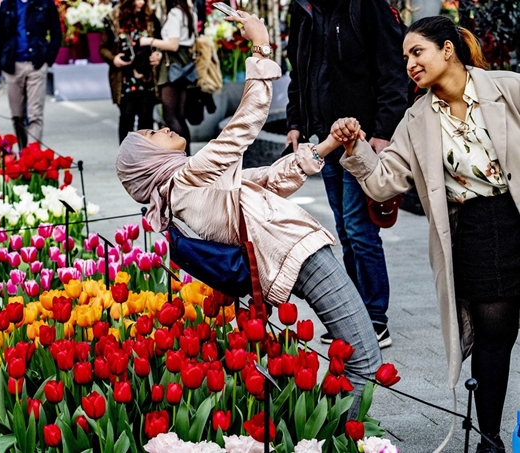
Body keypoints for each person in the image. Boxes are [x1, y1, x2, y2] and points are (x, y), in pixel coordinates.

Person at [116, 11, 382, 405]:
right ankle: (343, 438)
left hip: (298, 253)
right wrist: (260, 48)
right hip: (302, 256)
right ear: (146, 163)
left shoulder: (188, 190)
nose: (163, 127)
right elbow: (241, 129)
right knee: (363, 360)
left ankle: (334, 436)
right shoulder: (185, 181)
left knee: (357, 358)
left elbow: (268, 181)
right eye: (153, 135)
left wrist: (327, 144)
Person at [329, 16, 520, 453]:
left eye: (418, 52)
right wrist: (355, 148)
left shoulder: (506, 87)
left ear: (447, 50)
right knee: (495, 338)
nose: (410, 64)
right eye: (406, 58)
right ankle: (489, 439)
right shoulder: (415, 120)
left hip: (517, 213)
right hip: (475, 231)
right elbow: (382, 183)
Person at [285, 0, 410, 348]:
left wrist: (383, 132)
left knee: (360, 229)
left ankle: (374, 318)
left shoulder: (366, 6)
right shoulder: (304, 9)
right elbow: (300, 70)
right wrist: (296, 122)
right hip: (326, 140)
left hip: (362, 139)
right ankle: (356, 314)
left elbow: (392, 71)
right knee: (344, 230)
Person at [0, 0, 61, 151]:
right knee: (17, 116)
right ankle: (24, 153)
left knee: (35, 115)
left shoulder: (45, 3)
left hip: (36, 64)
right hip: (12, 65)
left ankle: (33, 157)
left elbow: (56, 33)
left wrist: (48, 60)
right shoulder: (7, 4)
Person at [137, 0, 196, 155]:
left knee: (170, 115)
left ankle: (181, 156)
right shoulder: (190, 11)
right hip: (185, 62)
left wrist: (148, 41)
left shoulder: (176, 13)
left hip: (172, 63)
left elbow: (173, 44)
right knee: (180, 116)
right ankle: (187, 157)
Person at [100, 0, 163, 144]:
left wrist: (158, 54)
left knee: (146, 118)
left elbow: (160, 42)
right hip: (124, 78)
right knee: (127, 116)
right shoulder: (113, 19)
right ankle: (126, 158)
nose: (141, 2)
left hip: (147, 77)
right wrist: (114, 59)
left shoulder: (151, 18)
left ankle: (146, 159)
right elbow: (103, 48)